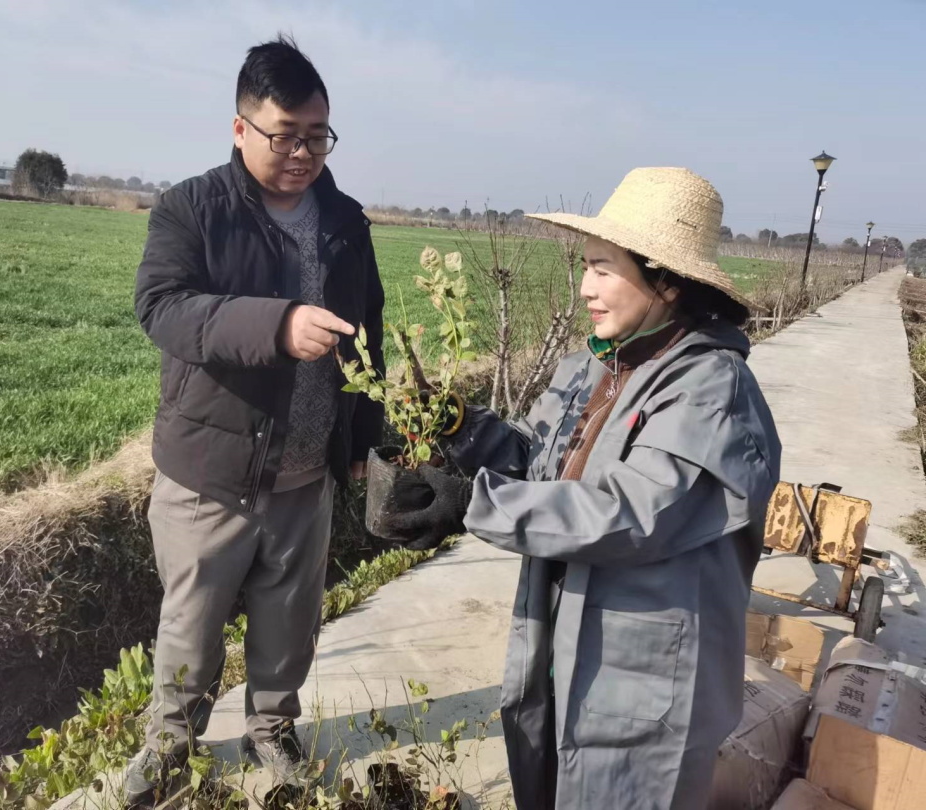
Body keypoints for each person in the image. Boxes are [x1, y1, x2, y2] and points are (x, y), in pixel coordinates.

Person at [379, 168, 782, 809]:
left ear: (667, 281)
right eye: (585, 266)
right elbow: (540, 465)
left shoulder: (711, 388)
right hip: (563, 637)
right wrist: (459, 427)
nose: (586, 286)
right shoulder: (595, 365)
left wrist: (474, 507)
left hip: (645, 678)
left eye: (602, 268)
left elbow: (628, 512)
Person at [126, 35, 385, 803]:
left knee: (289, 627)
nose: (303, 152)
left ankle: (272, 733)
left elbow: (368, 328)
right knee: (191, 625)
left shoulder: (344, 222)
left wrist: (364, 439)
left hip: (306, 474)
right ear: (241, 128)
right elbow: (164, 308)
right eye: (286, 136)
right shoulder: (192, 209)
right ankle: (170, 742)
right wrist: (277, 325)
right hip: (212, 473)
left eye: (317, 135)